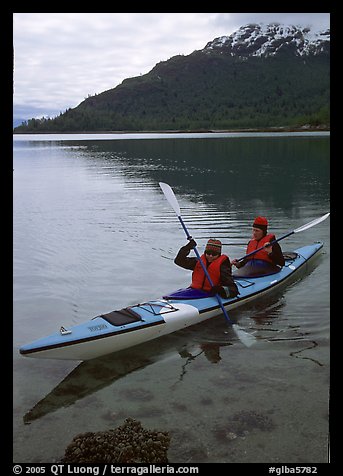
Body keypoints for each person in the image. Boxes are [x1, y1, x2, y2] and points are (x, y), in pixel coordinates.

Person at [174, 238, 239, 298]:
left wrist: (220, 289)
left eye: (214, 254)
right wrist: (187, 248)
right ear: (205, 252)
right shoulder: (198, 262)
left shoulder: (223, 267)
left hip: (210, 294)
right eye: (208, 253)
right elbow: (178, 261)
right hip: (194, 292)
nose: (210, 256)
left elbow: (233, 290)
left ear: (218, 255)